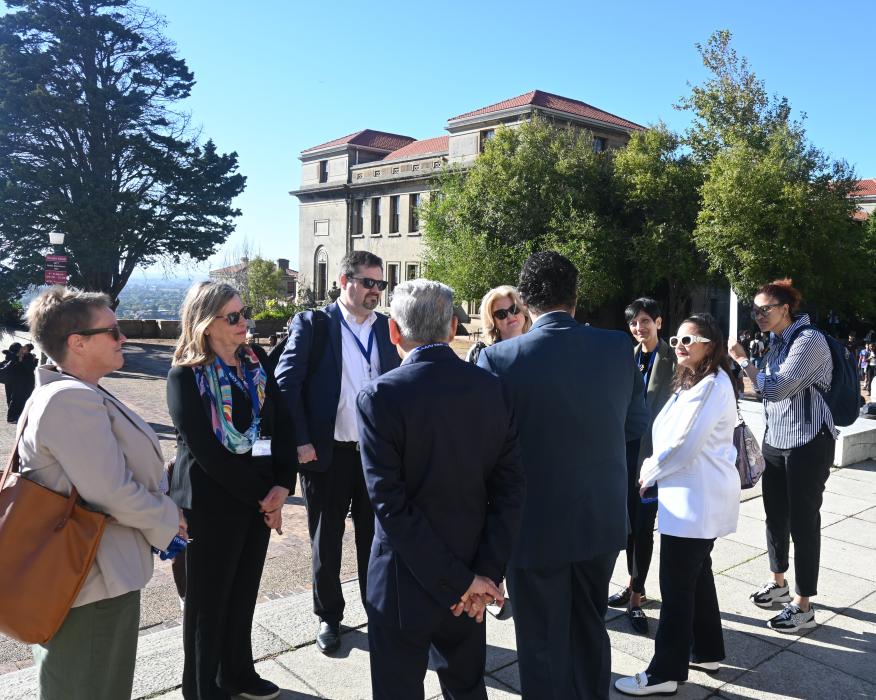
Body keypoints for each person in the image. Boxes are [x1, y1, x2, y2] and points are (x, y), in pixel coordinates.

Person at [478, 251, 649, 699]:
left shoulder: (498, 359)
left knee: (540, 640)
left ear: (527, 301)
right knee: (590, 627)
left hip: (532, 523)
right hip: (601, 515)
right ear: (575, 295)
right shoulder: (617, 348)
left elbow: (485, 450)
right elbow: (635, 427)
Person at [357, 279, 526, 699]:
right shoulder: (491, 388)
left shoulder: (380, 397)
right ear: (453, 327)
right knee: (466, 688)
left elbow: (390, 506)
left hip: (404, 582)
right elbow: (510, 489)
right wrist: (483, 574)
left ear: (394, 331)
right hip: (471, 570)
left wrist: (463, 581)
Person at [16, 287, 183, 700]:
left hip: (90, 575)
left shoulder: (76, 391)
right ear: (78, 342)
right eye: (113, 330)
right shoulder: (69, 399)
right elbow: (112, 493)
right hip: (91, 581)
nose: (123, 337)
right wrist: (170, 516)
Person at [167, 281, 297, 700]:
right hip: (211, 503)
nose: (246, 323)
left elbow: (281, 425)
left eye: (245, 314)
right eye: (235, 317)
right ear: (206, 325)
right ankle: (204, 688)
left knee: (242, 594)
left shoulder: (255, 360)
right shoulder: (185, 376)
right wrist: (266, 497)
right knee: (208, 604)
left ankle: (238, 673)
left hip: (258, 499)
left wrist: (283, 484)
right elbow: (206, 452)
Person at [275, 250, 400, 654]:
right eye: (368, 283)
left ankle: (378, 611)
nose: (375, 292)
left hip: (375, 455)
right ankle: (329, 617)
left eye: (380, 284)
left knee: (376, 539)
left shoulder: (386, 329)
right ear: (344, 281)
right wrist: (300, 440)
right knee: (325, 540)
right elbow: (285, 384)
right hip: (325, 455)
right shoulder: (314, 324)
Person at [615, 313, 740, 696]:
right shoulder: (694, 381)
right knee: (698, 579)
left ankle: (664, 672)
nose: (680, 346)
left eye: (690, 339)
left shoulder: (713, 385)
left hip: (694, 504)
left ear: (711, 345)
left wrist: (649, 471)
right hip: (689, 502)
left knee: (677, 590)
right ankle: (706, 650)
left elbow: (686, 445)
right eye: (678, 340)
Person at [728, 278, 837, 633]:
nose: (757, 315)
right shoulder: (777, 343)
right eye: (755, 310)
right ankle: (779, 583)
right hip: (777, 439)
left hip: (808, 442)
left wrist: (745, 363)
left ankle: (803, 604)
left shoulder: (808, 341)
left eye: (765, 309)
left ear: (785, 309)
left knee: (804, 523)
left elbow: (773, 388)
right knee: (775, 516)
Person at [608, 298, 677, 635]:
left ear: (659, 323)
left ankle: (637, 596)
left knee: (643, 527)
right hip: (625, 455)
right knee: (629, 527)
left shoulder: (673, 359)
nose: (639, 328)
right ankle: (634, 582)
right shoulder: (628, 356)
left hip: (653, 459)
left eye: (645, 321)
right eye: (634, 322)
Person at [464, 285, 531, 364]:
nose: (510, 316)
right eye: (501, 314)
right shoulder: (478, 353)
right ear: (492, 321)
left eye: (514, 309)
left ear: (523, 310)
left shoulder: (540, 346)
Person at [0, 341, 37, 422]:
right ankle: (12, 417)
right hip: (14, 381)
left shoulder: (26, 357)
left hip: (19, 382)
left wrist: (22, 359)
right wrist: (16, 358)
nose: (23, 351)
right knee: (13, 398)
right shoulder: (12, 357)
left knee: (16, 398)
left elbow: (30, 367)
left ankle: (16, 416)